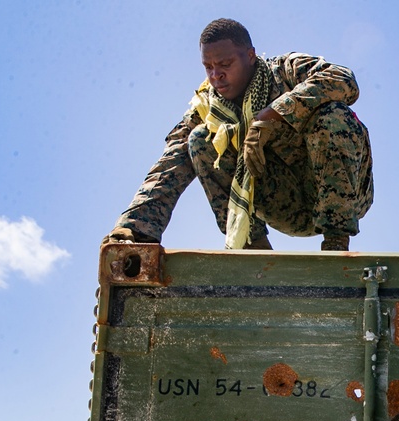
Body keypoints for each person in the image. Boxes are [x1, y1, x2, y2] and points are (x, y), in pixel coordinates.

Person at [104, 18, 373, 251]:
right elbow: (168, 165)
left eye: (225, 64)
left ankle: (336, 246)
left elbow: (344, 80)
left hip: (342, 196)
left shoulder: (285, 71)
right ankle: (253, 251)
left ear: (250, 56)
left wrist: (273, 114)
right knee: (198, 139)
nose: (215, 76)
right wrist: (133, 230)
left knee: (334, 115)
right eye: (208, 67)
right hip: (286, 205)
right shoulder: (207, 107)